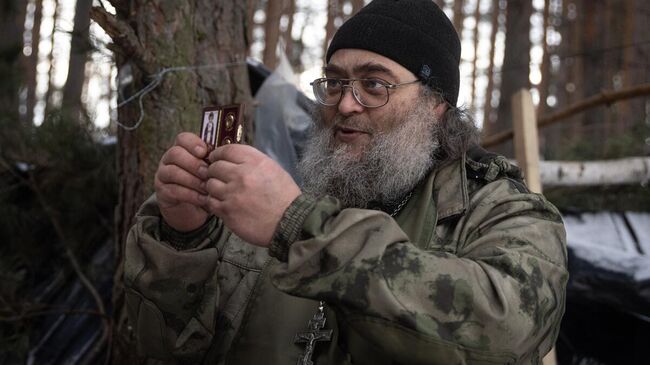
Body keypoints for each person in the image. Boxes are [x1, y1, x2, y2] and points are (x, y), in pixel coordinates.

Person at [124, 0, 568, 364]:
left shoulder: (501, 211)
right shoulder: (277, 199)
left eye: (374, 85)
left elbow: (508, 330)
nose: (346, 104)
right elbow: (166, 350)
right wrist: (184, 239)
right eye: (335, 83)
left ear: (434, 105)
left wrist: (301, 227)